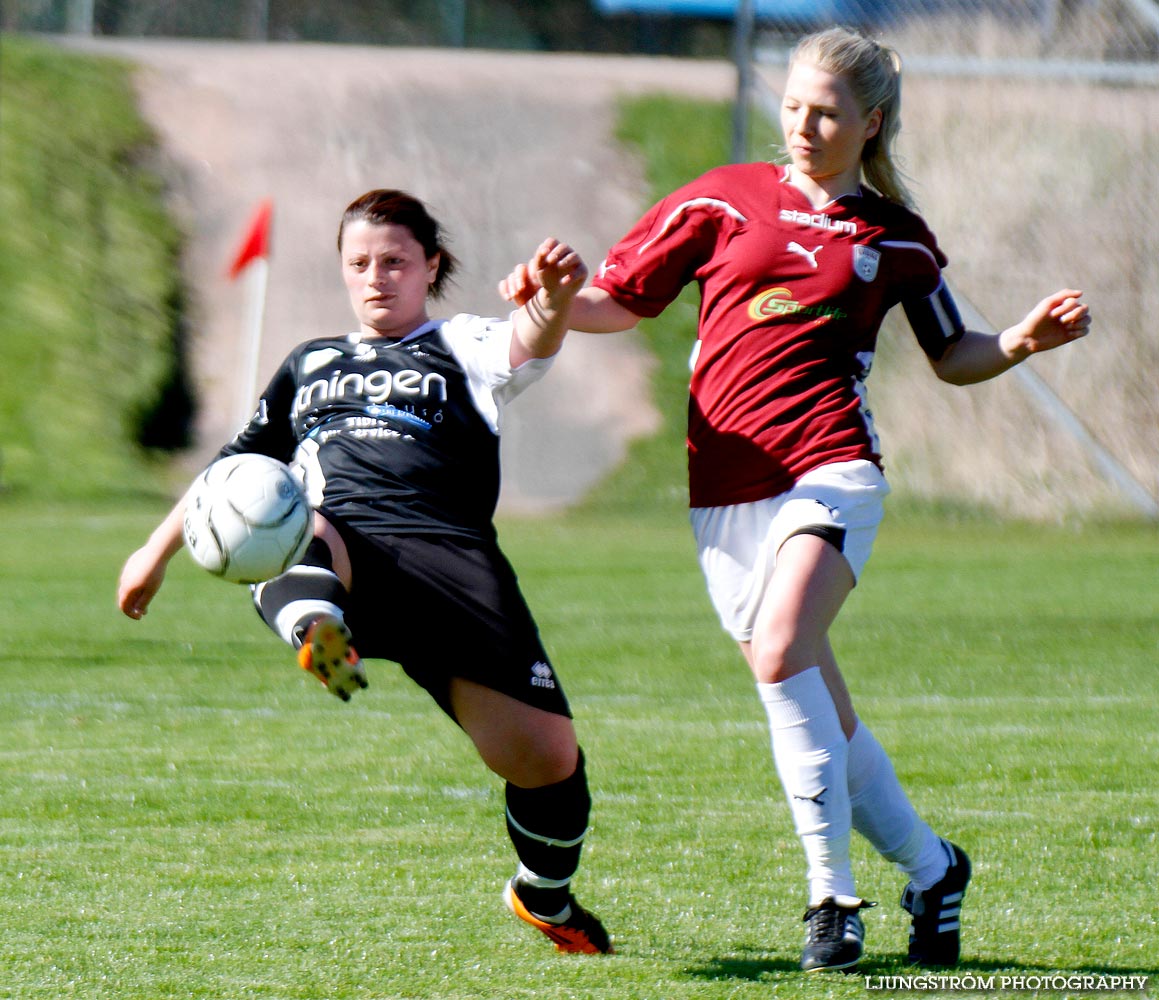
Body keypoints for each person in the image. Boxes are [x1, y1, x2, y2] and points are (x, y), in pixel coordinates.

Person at [501, 26, 1090, 972]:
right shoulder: (722, 197)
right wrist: (559, 299)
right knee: (810, 697)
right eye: (792, 107)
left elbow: (952, 357)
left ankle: (831, 901)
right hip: (724, 490)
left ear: (871, 122)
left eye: (825, 113)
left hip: (831, 468)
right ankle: (935, 870)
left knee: (780, 653)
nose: (803, 126)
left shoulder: (894, 237)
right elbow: (620, 300)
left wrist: (1018, 342)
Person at [118, 188, 613, 956]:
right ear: (342, 271)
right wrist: (152, 554)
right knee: (283, 516)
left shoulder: (463, 345)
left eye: (394, 262)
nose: (376, 277)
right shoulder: (309, 362)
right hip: (342, 540)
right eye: (360, 263)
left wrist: (551, 301)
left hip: (451, 560)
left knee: (547, 761)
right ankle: (318, 632)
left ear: (430, 267)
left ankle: (543, 895)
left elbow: (533, 340)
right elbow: (232, 472)